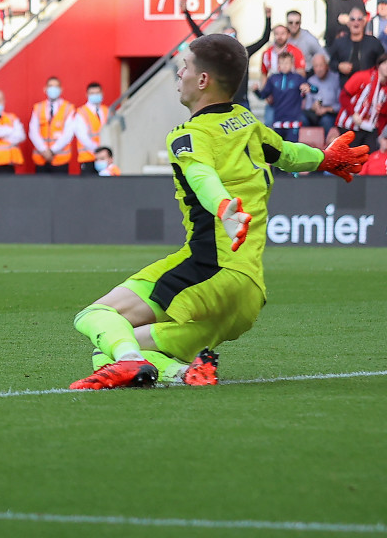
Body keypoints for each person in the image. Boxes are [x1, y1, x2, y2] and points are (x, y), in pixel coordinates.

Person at [67, 35, 367, 391]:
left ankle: (131, 361)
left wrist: (223, 207)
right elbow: (285, 152)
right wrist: (326, 158)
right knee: (109, 352)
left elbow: (201, 175)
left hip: (211, 268)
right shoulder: (246, 122)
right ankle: (183, 373)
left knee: (96, 316)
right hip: (248, 293)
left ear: (203, 80)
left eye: (185, 67)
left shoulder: (188, 135)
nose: (179, 74)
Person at [336, 53, 387, 152]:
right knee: (349, 158)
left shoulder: (385, 88)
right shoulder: (363, 76)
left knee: (370, 155)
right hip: (350, 125)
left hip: (369, 128)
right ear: (379, 65)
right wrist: (353, 114)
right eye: (385, 64)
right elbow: (344, 96)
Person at [255, 50, 308, 143]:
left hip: (293, 121)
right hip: (278, 120)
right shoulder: (273, 78)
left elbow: (314, 89)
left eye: (287, 63)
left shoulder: (298, 78)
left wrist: (307, 88)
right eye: (282, 63)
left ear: (292, 64)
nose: (284, 65)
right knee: (279, 150)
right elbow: (263, 95)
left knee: (293, 150)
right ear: (278, 64)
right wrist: (256, 91)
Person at [28, 77, 76, 174]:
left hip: (60, 159)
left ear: (61, 89)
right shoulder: (38, 107)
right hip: (41, 158)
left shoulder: (68, 108)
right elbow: (33, 132)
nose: (53, 89)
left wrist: (52, 151)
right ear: (45, 89)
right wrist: (44, 150)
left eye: (56, 86)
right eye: (50, 86)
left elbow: (68, 134)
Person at [73, 82, 108, 176]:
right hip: (88, 158)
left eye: (97, 93)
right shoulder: (81, 113)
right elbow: (82, 136)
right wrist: (97, 151)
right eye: (92, 93)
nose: (95, 95)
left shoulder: (106, 111)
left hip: (105, 160)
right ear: (87, 95)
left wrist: (103, 154)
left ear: (102, 94)